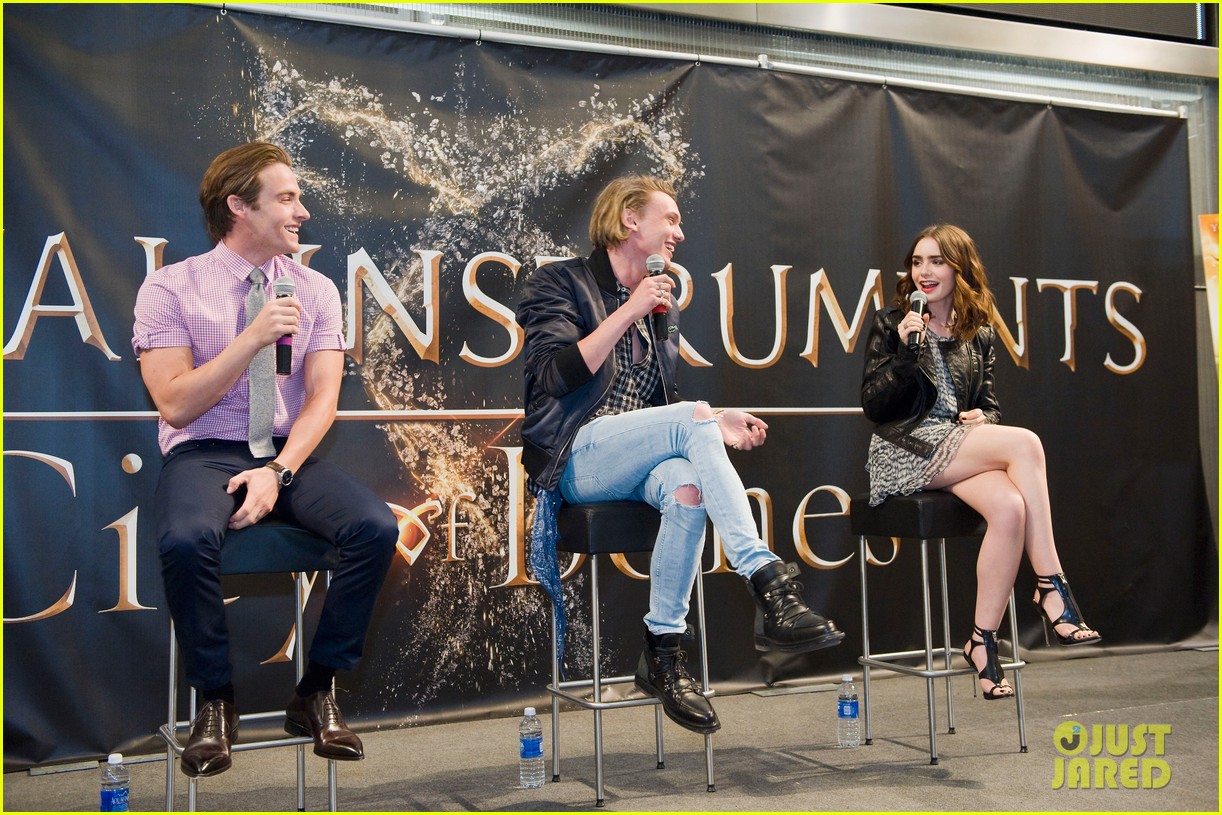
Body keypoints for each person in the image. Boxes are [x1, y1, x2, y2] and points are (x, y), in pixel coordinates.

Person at [516, 175, 843, 735]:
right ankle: (769, 582)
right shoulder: (561, 282)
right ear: (629, 221)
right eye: (669, 219)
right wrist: (629, 311)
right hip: (574, 456)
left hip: (631, 457)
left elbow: (660, 414)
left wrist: (718, 422)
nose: (679, 232)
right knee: (693, 420)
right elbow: (552, 377)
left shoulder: (657, 309)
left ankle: (664, 652)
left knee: (688, 487)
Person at [132, 142, 399, 777]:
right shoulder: (170, 287)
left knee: (375, 527)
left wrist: (277, 473)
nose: (302, 211)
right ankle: (215, 702)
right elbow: (174, 403)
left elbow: (323, 400)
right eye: (286, 198)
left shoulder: (315, 288)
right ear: (238, 207)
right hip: (204, 451)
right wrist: (251, 336)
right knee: (184, 539)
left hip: (286, 452)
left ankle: (316, 691)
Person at [860, 223, 1101, 701]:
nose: (924, 272)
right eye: (917, 262)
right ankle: (1053, 588)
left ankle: (980, 640)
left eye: (936, 262)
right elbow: (873, 405)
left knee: (1011, 508)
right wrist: (906, 356)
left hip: (956, 443)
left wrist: (983, 417)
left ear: (958, 267)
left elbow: (989, 404)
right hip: (904, 447)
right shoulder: (893, 323)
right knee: (1027, 445)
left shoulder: (979, 332)